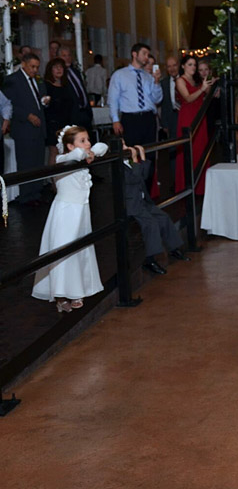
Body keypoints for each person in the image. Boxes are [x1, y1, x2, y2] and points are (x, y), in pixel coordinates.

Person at [31, 126, 108, 313]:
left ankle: (77, 290)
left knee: (79, 250)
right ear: (69, 146)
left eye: (87, 139)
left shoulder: (81, 155)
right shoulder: (62, 159)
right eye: (82, 140)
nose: (88, 143)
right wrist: (85, 152)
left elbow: (103, 146)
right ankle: (60, 294)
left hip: (81, 213)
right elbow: (73, 156)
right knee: (63, 251)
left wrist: (90, 151)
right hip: (65, 213)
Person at [122, 143, 190, 276]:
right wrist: (135, 160)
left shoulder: (129, 162)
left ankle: (174, 247)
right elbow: (134, 179)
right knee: (151, 224)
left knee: (163, 217)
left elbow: (145, 176)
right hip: (132, 205)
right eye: (123, 146)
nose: (126, 147)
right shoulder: (118, 166)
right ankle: (150, 259)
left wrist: (142, 157)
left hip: (142, 201)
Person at [2, 53, 47, 205]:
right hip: (24, 129)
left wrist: (45, 101)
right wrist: (27, 115)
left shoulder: (36, 80)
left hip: (38, 128)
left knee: (38, 162)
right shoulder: (12, 80)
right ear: (23, 64)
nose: (35, 70)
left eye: (37, 67)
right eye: (32, 67)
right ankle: (26, 196)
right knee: (26, 164)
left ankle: (36, 193)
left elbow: (37, 100)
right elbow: (8, 104)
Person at [174, 54, 215, 195]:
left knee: (201, 149)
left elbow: (208, 95)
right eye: (190, 64)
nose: (193, 67)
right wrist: (202, 89)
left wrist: (207, 82)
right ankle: (187, 186)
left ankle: (201, 186)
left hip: (199, 116)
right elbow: (188, 98)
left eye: (194, 65)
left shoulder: (197, 80)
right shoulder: (180, 80)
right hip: (187, 117)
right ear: (183, 66)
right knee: (189, 150)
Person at [108, 43, 163, 147]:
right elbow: (113, 99)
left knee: (149, 152)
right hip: (131, 119)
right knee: (132, 152)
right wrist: (115, 120)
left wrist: (156, 81)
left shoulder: (148, 76)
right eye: (144, 54)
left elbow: (157, 99)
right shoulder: (120, 75)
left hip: (148, 117)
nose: (146, 57)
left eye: (148, 54)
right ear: (134, 54)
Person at [43, 57, 74, 166]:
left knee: (66, 151)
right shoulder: (46, 85)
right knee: (54, 152)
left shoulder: (66, 86)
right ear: (50, 70)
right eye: (55, 67)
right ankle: (54, 181)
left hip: (66, 123)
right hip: (52, 124)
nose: (59, 69)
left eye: (61, 67)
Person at [58, 46, 93, 134]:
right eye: (64, 56)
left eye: (69, 55)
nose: (67, 58)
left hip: (84, 113)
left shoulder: (75, 72)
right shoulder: (60, 75)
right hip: (72, 115)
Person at [159, 55, 181, 181]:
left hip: (185, 116)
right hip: (172, 118)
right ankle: (175, 181)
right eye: (169, 66)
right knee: (173, 150)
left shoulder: (186, 79)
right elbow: (164, 105)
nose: (172, 69)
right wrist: (165, 124)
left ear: (179, 65)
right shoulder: (164, 83)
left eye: (174, 65)